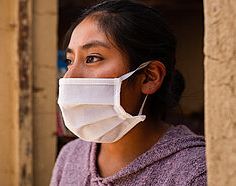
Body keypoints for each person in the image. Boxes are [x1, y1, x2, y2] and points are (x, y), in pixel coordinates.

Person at [50, 0, 206, 185]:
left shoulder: (196, 172)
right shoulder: (70, 156)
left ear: (149, 77)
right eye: (69, 61)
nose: (69, 77)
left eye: (92, 58)